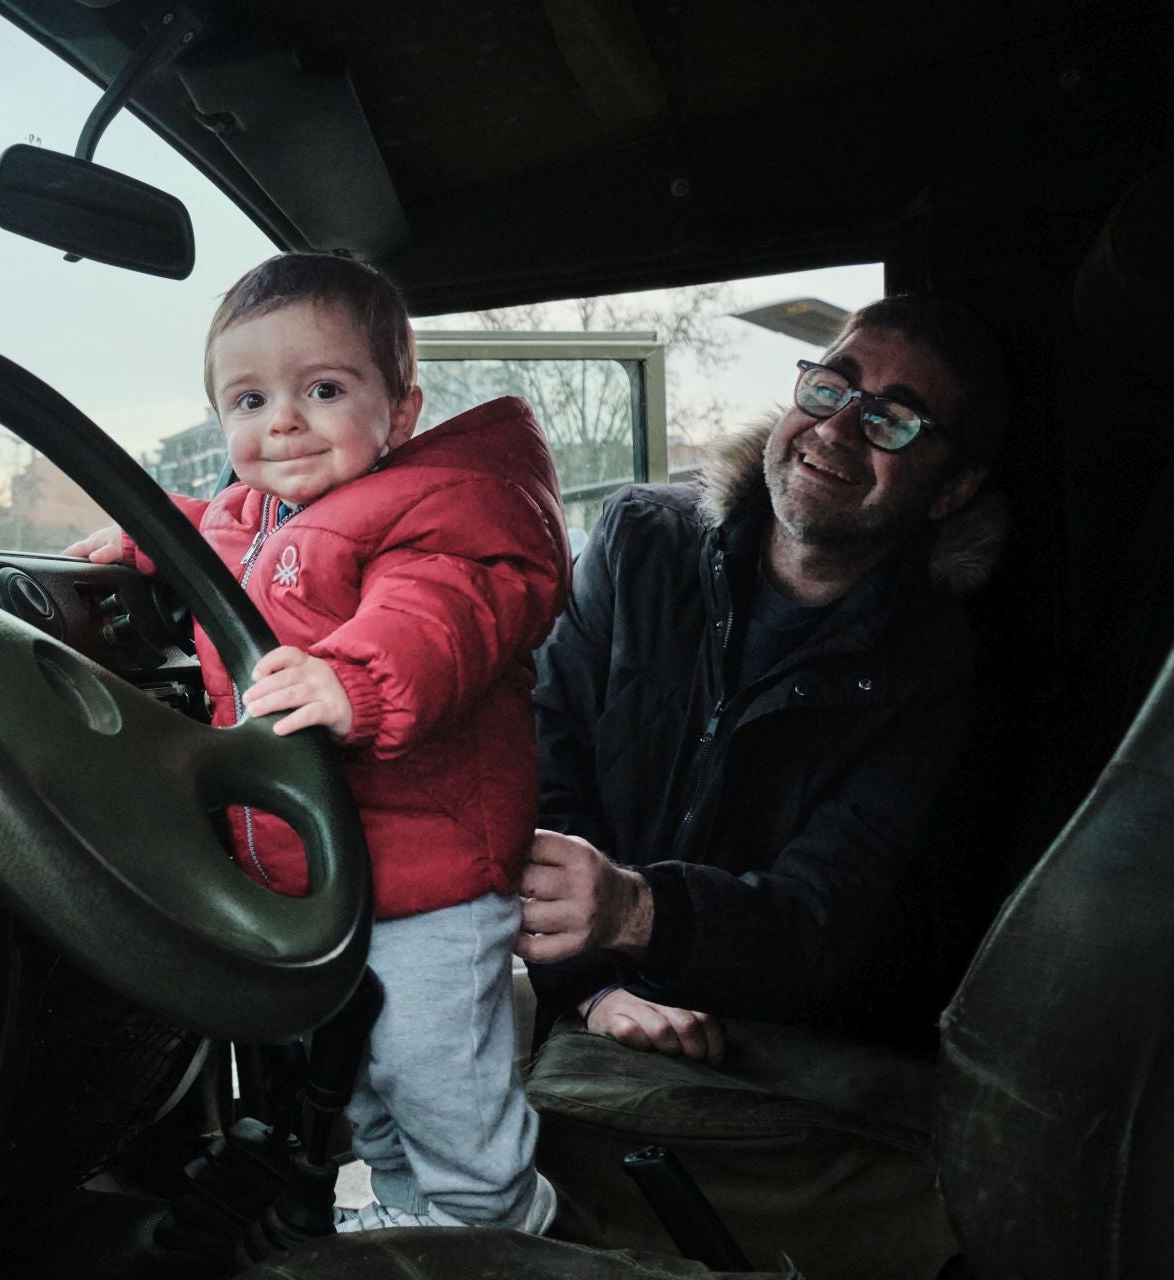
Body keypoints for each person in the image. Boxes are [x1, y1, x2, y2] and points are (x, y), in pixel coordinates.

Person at [66, 253, 571, 1233]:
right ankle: (411, 1212)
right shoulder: (262, 512)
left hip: (429, 887)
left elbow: (446, 614)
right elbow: (215, 534)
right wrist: (139, 537)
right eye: (248, 399)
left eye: (323, 389)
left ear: (403, 409)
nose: (282, 421)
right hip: (329, 887)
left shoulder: (442, 514)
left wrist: (354, 678)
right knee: (366, 1089)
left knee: (436, 1078)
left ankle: (505, 1229)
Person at [517, 296, 1011, 1061]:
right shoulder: (641, 541)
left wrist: (635, 912)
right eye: (828, 387)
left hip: (755, 1044)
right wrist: (593, 988)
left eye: (892, 420)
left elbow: (826, 922)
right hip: (578, 981)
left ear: (951, 489)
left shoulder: (929, 673)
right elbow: (540, 766)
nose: (837, 429)